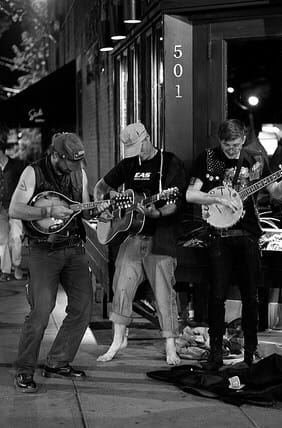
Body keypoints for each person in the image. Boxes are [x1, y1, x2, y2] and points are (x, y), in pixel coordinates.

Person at [186, 119, 282, 370]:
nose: (232, 150)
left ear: (244, 140)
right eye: (227, 145)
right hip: (218, 235)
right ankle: (215, 352)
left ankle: (251, 351)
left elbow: (276, 193)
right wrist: (217, 198)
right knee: (216, 297)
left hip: (248, 233)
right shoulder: (209, 158)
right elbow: (190, 194)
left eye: (236, 145)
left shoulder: (255, 158)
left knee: (251, 297)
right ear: (220, 141)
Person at [9, 132, 109, 393]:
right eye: (69, 163)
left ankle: (58, 361)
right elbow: (15, 209)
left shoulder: (79, 172)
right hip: (43, 251)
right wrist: (47, 211)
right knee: (41, 312)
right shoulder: (33, 173)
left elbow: (85, 206)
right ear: (55, 155)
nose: (73, 169)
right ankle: (24, 368)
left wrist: (101, 209)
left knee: (83, 307)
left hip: (74, 249)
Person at [94, 122, 187, 365]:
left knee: (164, 293)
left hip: (161, 236)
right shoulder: (128, 164)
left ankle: (170, 346)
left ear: (147, 138)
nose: (136, 154)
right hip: (133, 235)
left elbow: (175, 203)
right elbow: (100, 188)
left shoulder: (170, 162)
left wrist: (157, 213)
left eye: (138, 147)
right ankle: (118, 339)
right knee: (121, 285)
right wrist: (106, 206)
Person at [0, 139, 26, 282]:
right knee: (2, 241)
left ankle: (17, 265)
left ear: (0, 152)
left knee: (16, 238)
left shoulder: (17, 165)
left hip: (15, 207)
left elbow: (25, 185)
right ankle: (5, 271)